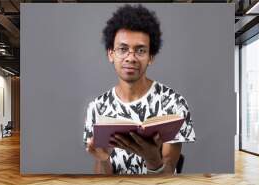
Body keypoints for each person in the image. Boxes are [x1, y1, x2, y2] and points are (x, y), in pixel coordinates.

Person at [83, 4, 195, 175]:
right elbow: (102, 181)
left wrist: (152, 159)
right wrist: (104, 159)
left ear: (150, 57)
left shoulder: (174, 103)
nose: (131, 58)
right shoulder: (97, 107)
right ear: (110, 54)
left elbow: (169, 173)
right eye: (123, 49)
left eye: (140, 50)